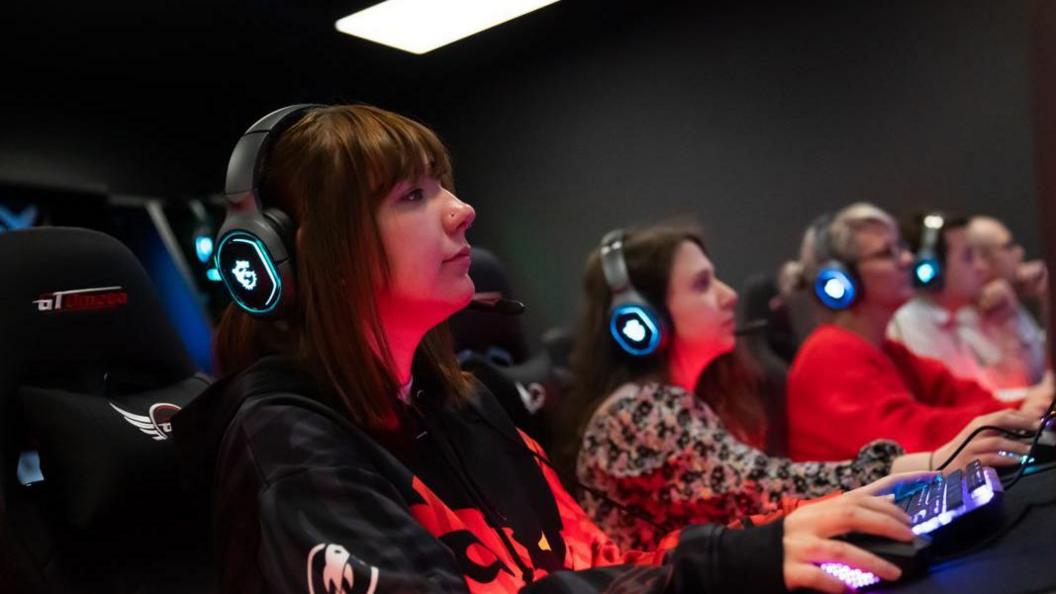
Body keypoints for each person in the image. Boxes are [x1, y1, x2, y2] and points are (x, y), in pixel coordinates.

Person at [172, 105, 933, 594]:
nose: (463, 210)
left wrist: (754, 563)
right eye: (413, 196)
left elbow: (593, 560)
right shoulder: (287, 446)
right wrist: (727, 569)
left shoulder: (461, 403)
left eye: (445, 187)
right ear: (301, 257)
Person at [559, 222, 1036, 551]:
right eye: (703, 285)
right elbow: (768, 488)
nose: (728, 296)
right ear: (638, 321)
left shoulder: (685, 400)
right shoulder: (640, 414)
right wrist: (933, 462)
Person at [787, 203, 1050, 462]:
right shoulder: (828, 354)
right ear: (839, 281)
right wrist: (1015, 414)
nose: (908, 259)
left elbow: (955, 393)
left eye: (900, 247)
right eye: (887, 253)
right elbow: (908, 436)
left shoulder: (885, 349)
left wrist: (1020, 410)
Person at [886, 212, 1050, 401]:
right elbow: (961, 406)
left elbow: (995, 390)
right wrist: (1038, 396)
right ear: (931, 269)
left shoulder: (948, 321)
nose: (981, 267)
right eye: (968, 257)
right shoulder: (912, 323)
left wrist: (1008, 321)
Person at [963, 215, 1049, 390]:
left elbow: (1044, 373)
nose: (1019, 252)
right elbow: (1019, 385)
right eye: (1008, 246)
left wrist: (1047, 299)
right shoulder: (963, 320)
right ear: (982, 260)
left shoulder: (1010, 297)